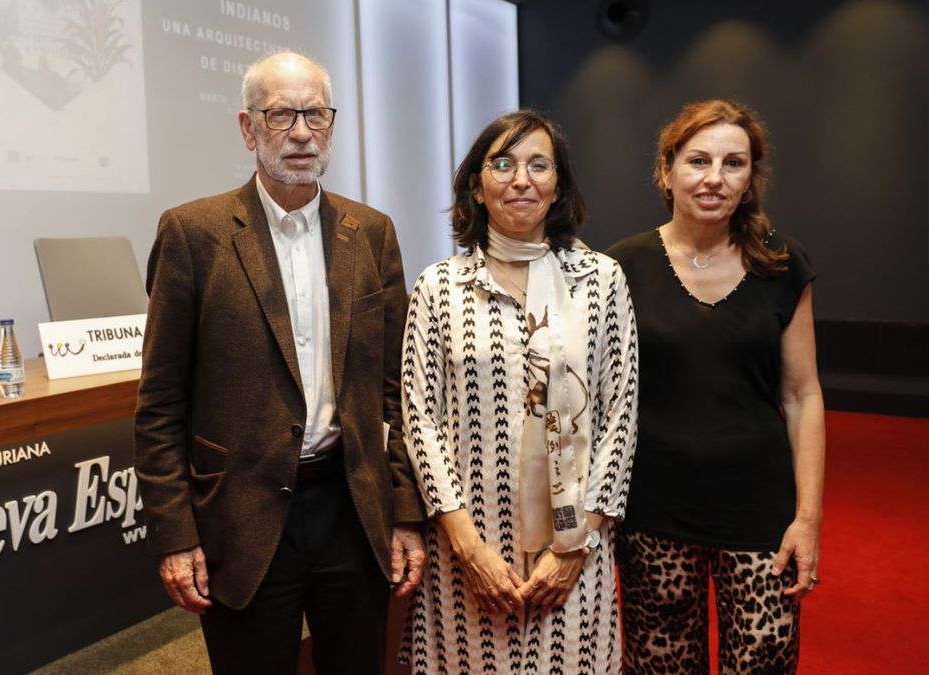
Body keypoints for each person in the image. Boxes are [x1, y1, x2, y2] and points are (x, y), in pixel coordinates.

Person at [133, 51, 426, 675]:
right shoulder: (193, 234)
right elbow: (161, 404)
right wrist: (176, 534)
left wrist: (404, 514)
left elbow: (395, 389)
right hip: (240, 514)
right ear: (248, 128)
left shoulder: (371, 231)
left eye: (315, 114)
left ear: (332, 124)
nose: (299, 132)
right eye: (280, 115)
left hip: (352, 508)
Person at [400, 109, 638, 673]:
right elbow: (419, 416)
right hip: (467, 551)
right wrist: (467, 547)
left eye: (538, 165)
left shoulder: (601, 280)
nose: (520, 179)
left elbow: (619, 415)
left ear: (558, 187)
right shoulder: (439, 287)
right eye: (502, 164)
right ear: (477, 188)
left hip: (574, 551)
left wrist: (574, 547)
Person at [606, 99, 825, 674]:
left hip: (760, 514)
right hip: (654, 511)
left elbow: (803, 396)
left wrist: (808, 519)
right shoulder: (619, 268)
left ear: (751, 177)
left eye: (734, 163)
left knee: (762, 664)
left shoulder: (781, 262)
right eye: (698, 160)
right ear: (666, 170)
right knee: (661, 668)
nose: (714, 178)